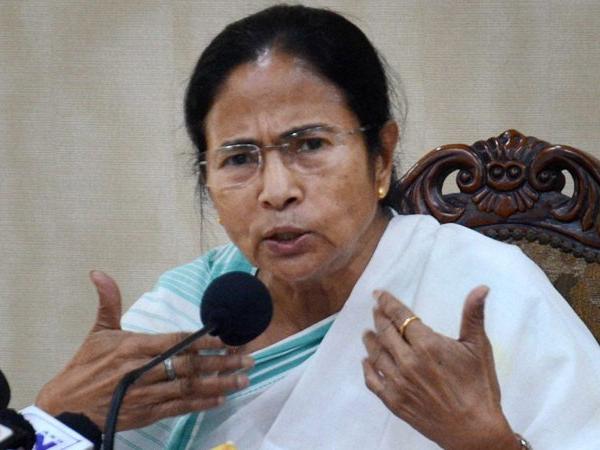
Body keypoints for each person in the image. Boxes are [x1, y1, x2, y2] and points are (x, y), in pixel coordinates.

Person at [36, 4, 600, 449]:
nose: (276, 189)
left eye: (309, 145)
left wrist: (484, 444)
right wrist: (57, 416)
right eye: (239, 158)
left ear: (381, 157)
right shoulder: (185, 316)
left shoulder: (483, 287)